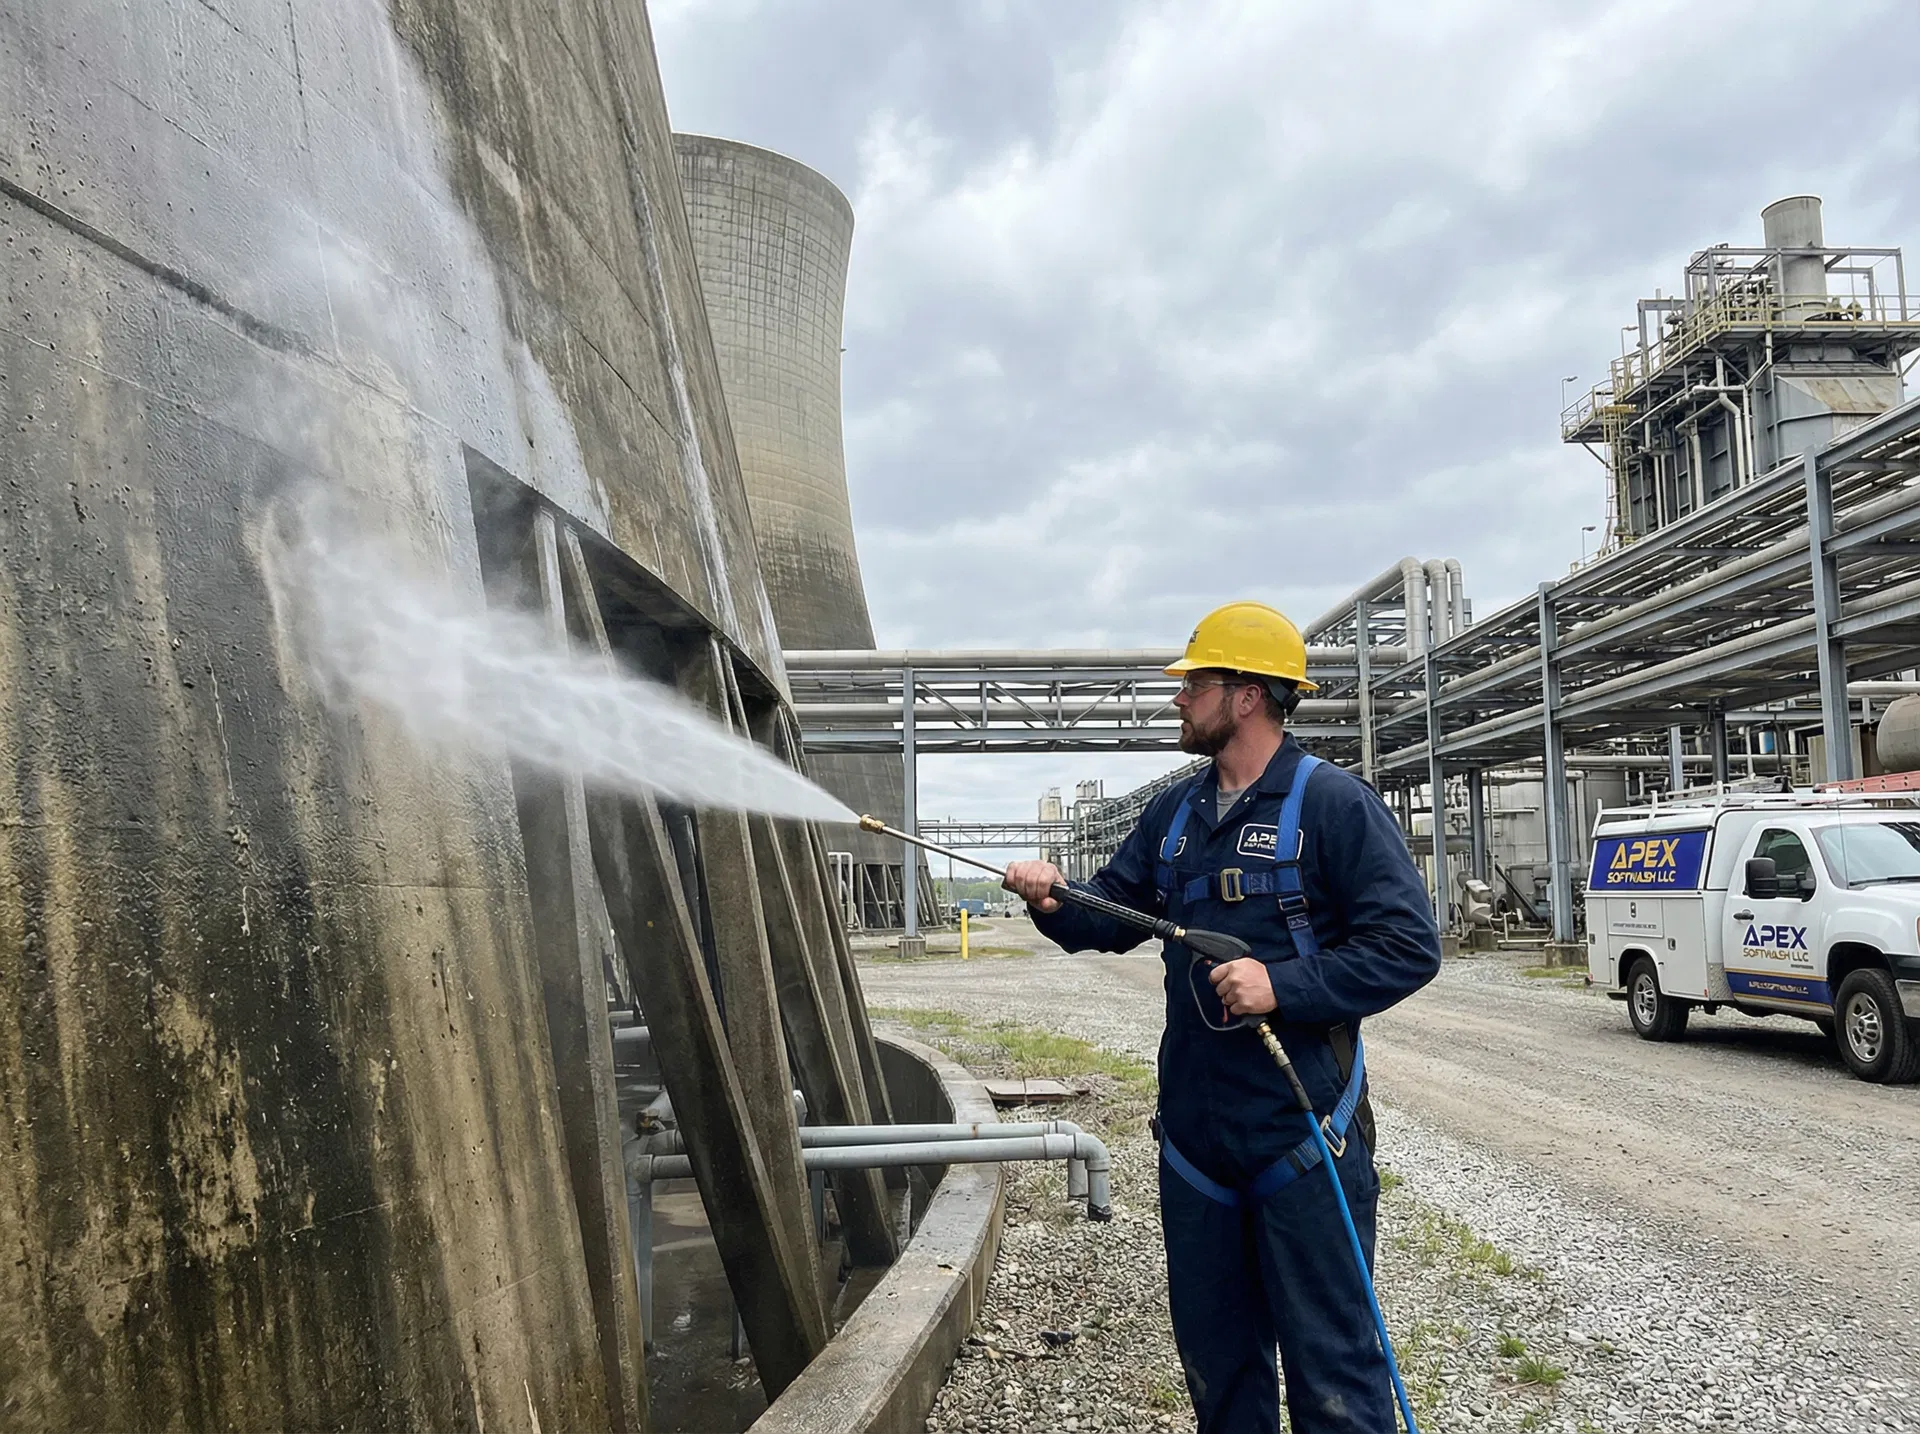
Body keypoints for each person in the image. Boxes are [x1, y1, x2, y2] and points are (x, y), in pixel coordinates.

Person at [1003, 601, 1441, 1434]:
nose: (1180, 698)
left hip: (1303, 1138)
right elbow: (1110, 914)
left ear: (1247, 696)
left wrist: (1285, 986)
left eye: (1195, 682)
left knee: (1335, 1372)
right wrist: (1052, 898)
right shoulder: (1176, 817)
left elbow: (1409, 946)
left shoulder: (1331, 806)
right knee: (1219, 1370)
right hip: (1198, 1147)